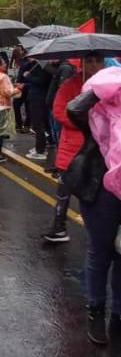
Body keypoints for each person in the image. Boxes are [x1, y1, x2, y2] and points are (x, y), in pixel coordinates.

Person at [62, 77, 121, 345]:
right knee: (101, 252)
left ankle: (118, 314)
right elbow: (73, 109)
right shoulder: (100, 112)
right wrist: (104, 89)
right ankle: (96, 310)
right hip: (100, 188)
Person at [43, 53, 105, 244]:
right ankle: (59, 226)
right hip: (73, 145)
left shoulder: (109, 85)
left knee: (96, 191)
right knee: (64, 189)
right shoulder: (71, 84)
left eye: (97, 61)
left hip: (100, 147)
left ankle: (99, 233)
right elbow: (59, 111)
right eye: (89, 61)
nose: (94, 65)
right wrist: (85, 122)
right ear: (83, 63)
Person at [22, 57, 52, 161]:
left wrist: (28, 76)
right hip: (36, 96)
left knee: (38, 124)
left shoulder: (45, 67)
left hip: (38, 98)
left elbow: (41, 81)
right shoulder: (38, 65)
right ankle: (39, 147)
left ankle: (40, 150)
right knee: (38, 124)